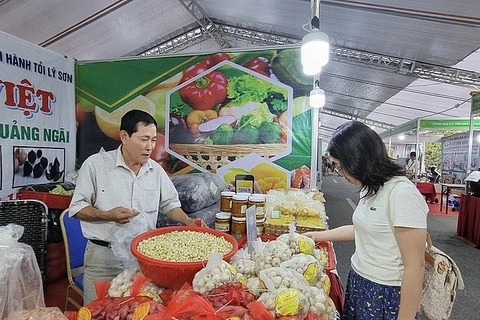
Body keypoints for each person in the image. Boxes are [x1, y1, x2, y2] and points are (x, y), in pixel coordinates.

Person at [69, 109, 205, 304]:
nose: (149, 147)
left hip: (143, 259)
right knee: (97, 311)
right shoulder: (96, 165)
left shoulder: (155, 170)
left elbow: (169, 204)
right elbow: (77, 208)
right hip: (104, 258)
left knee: (138, 311)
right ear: (124, 136)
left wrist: (187, 220)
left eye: (153, 140)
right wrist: (108, 215)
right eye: (143, 139)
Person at [304, 121, 427, 320]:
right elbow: (362, 228)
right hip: (360, 281)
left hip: (386, 293)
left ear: (356, 159)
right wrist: (315, 235)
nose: (341, 174)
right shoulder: (371, 188)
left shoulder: (402, 193)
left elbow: (415, 266)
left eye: (339, 167)